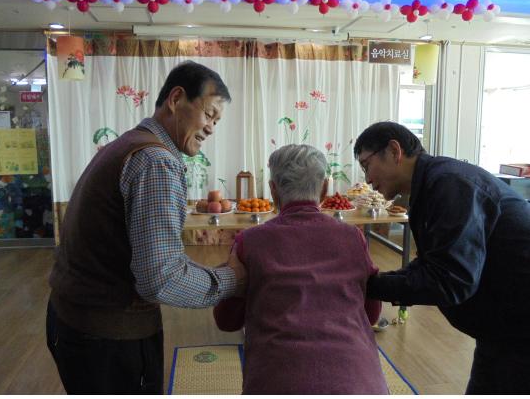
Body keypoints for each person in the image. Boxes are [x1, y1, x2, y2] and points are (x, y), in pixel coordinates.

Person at [46, 61, 247, 394]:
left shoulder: (130, 143)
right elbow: (161, 279)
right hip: (106, 338)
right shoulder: (155, 161)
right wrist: (233, 280)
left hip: (73, 319)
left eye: (217, 121)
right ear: (176, 99)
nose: (212, 128)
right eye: (209, 114)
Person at [353, 121, 530, 394]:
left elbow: (450, 280)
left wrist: (369, 286)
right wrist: (374, 282)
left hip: (519, 325)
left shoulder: (449, 184)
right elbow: (434, 263)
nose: (366, 179)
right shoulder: (432, 184)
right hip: (500, 327)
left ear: (394, 151)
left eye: (367, 165)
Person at [213, 144, 388, 394]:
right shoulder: (353, 237)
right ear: (325, 188)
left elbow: (226, 320)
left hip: (276, 383)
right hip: (359, 383)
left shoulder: (248, 242)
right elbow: (371, 314)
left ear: (273, 190)